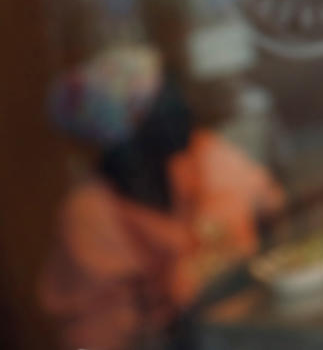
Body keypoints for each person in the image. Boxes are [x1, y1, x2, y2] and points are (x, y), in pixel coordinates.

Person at [39, 45, 284, 350]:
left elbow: (269, 206)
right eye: (164, 101)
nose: (185, 106)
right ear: (127, 130)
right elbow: (100, 336)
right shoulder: (90, 216)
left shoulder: (199, 157)